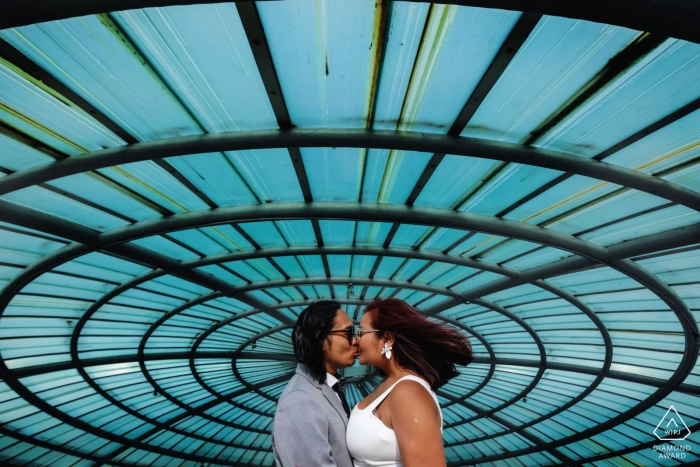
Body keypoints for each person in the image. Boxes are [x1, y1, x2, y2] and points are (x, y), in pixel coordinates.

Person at [346, 298, 473, 467]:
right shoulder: (392, 385)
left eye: (361, 332)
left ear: (388, 338)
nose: (356, 340)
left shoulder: (408, 393)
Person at [272, 299, 358, 467]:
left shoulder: (325, 389)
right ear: (320, 338)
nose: (355, 340)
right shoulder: (299, 401)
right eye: (348, 333)